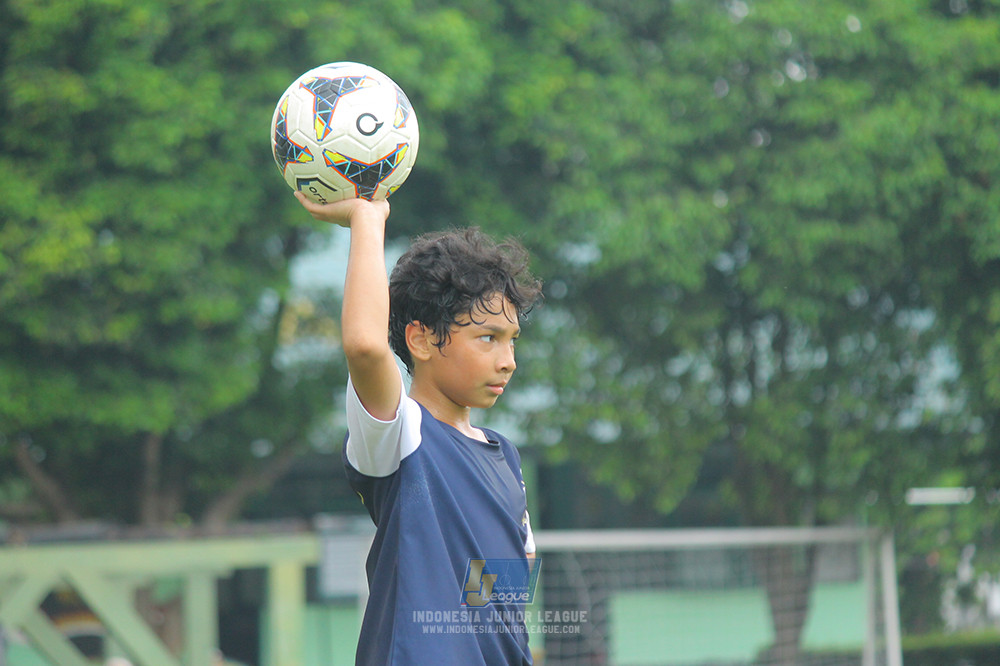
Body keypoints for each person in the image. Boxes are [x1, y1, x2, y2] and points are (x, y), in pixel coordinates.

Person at [296, 193, 543, 665]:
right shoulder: (400, 435)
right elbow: (366, 346)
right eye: (487, 338)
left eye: (512, 340)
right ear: (422, 339)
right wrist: (367, 219)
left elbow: (510, 587)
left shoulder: (505, 455)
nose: (507, 360)